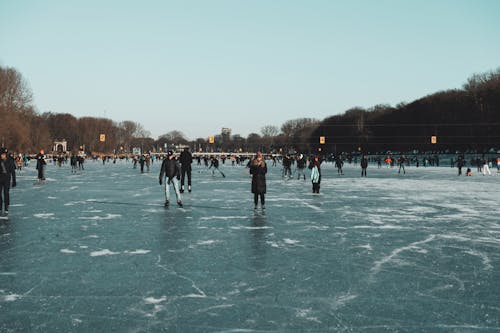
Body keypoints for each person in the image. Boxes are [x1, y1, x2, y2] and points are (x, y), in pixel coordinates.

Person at [0, 148, 16, 217]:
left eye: (3, 154)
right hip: (0, 179)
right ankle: (0, 207)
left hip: (7, 179)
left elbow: (13, 171)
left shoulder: (10, 161)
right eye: (1, 155)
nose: (2, 156)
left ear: (5, 155)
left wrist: (14, 181)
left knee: (6, 193)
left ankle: (6, 207)